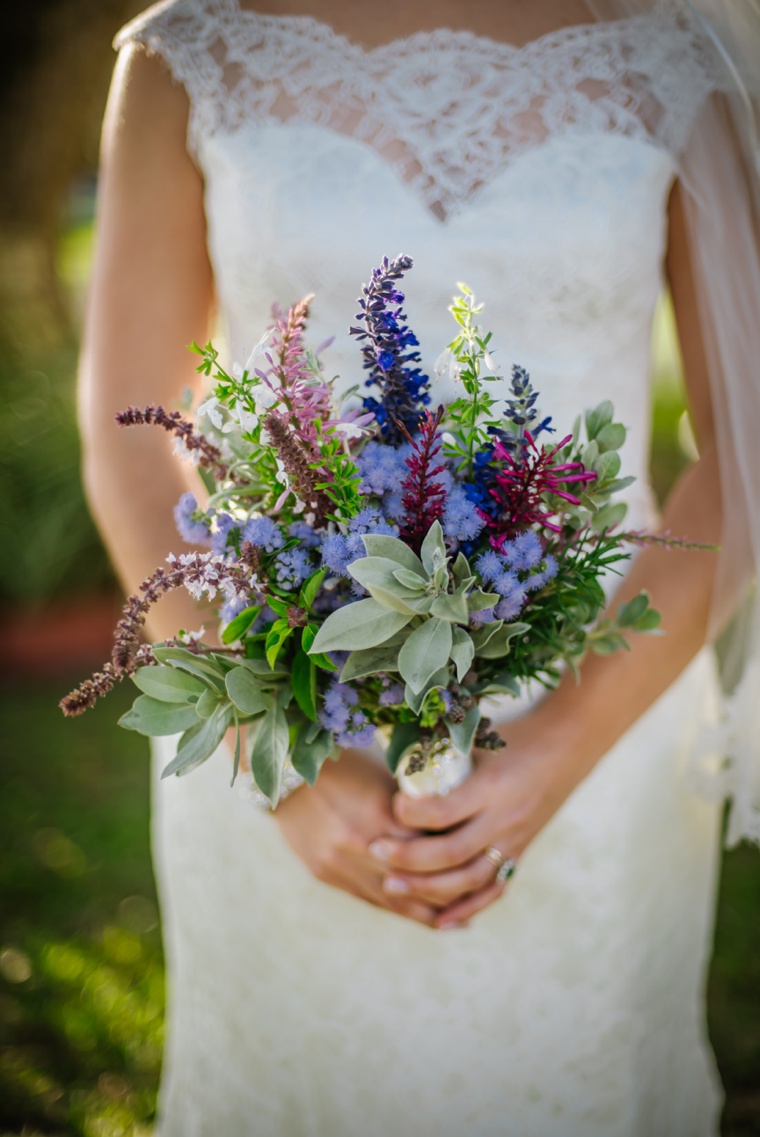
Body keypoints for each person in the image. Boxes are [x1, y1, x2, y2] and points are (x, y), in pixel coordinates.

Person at [78, 0, 760, 1133]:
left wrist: (551, 753)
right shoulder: (187, 52)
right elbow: (128, 428)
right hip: (281, 709)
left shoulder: (666, 56)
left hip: (598, 726)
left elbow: (744, 433)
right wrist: (276, 755)